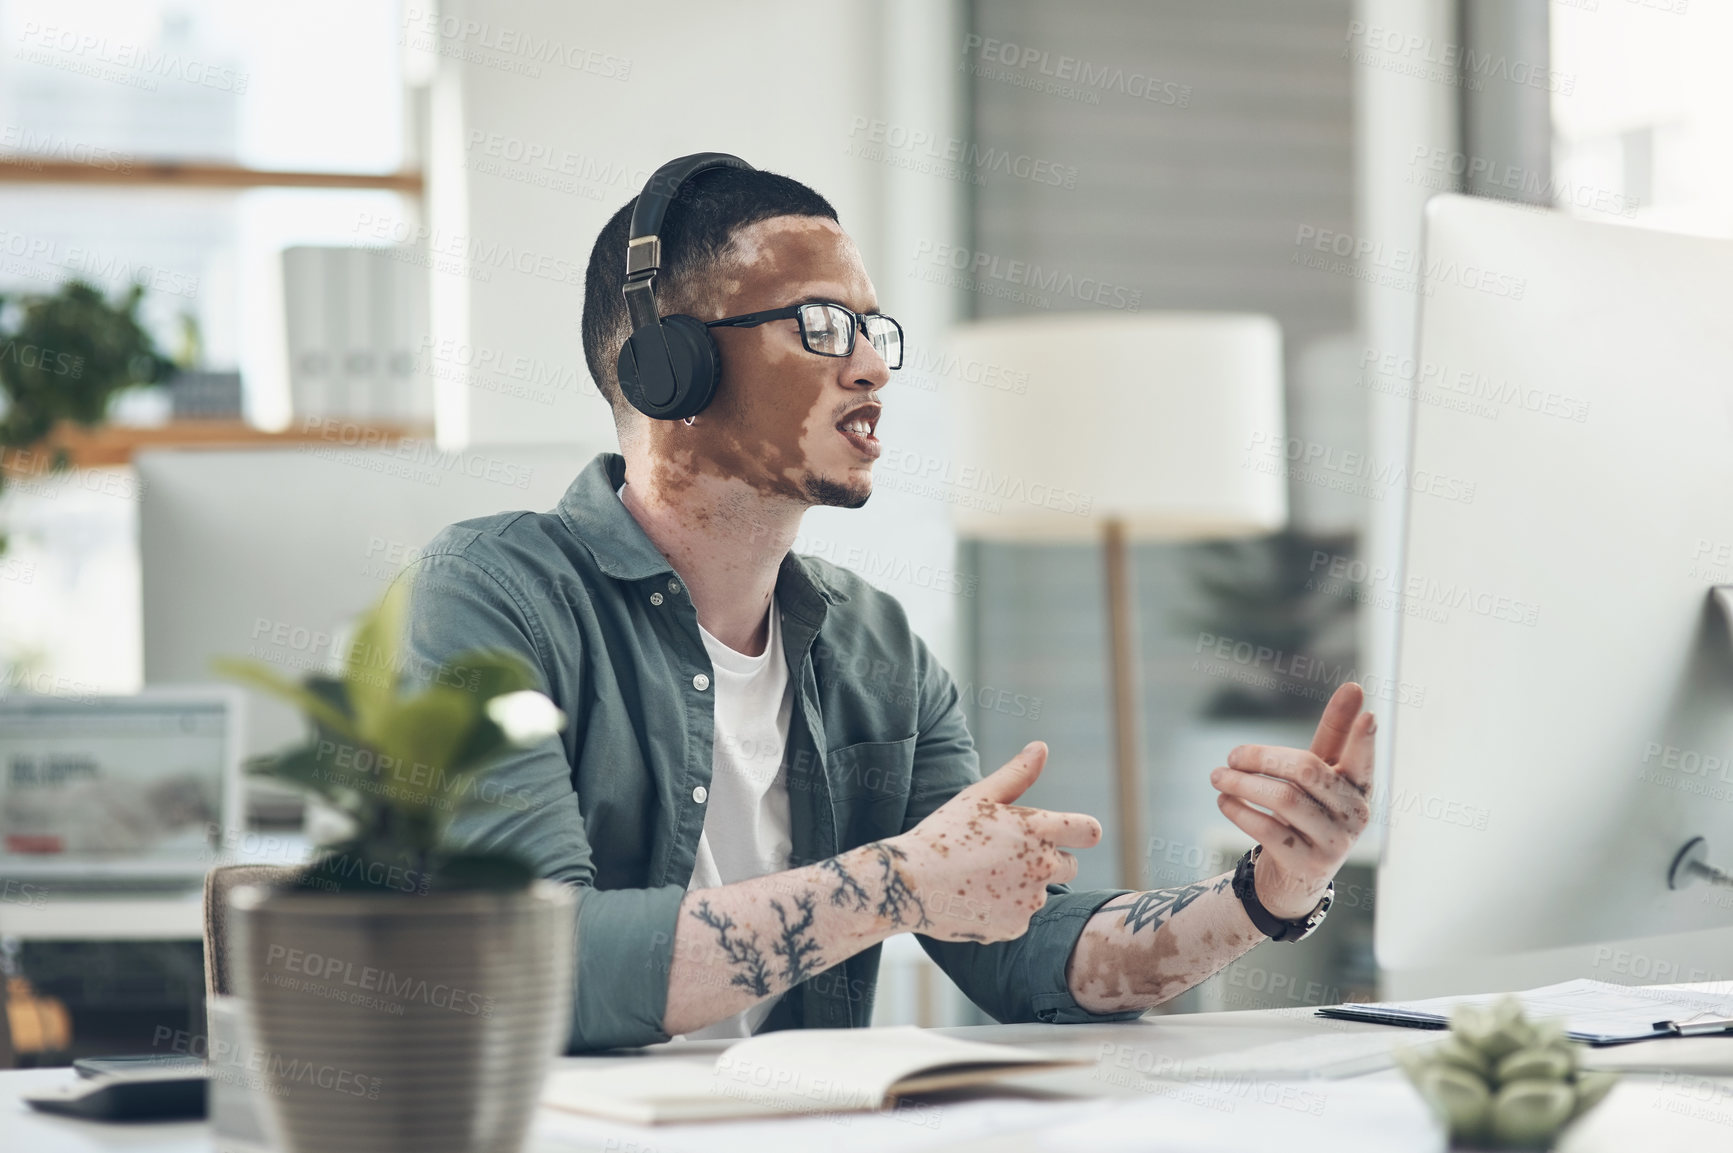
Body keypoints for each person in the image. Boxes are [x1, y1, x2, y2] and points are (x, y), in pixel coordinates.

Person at [397, 156, 1374, 1052]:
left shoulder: (874, 647)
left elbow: (1024, 954)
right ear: (669, 367)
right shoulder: (495, 592)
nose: (870, 366)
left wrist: (1267, 892)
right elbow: (525, 962)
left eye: (873, 330)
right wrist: (891, 881)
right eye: (822, 325)